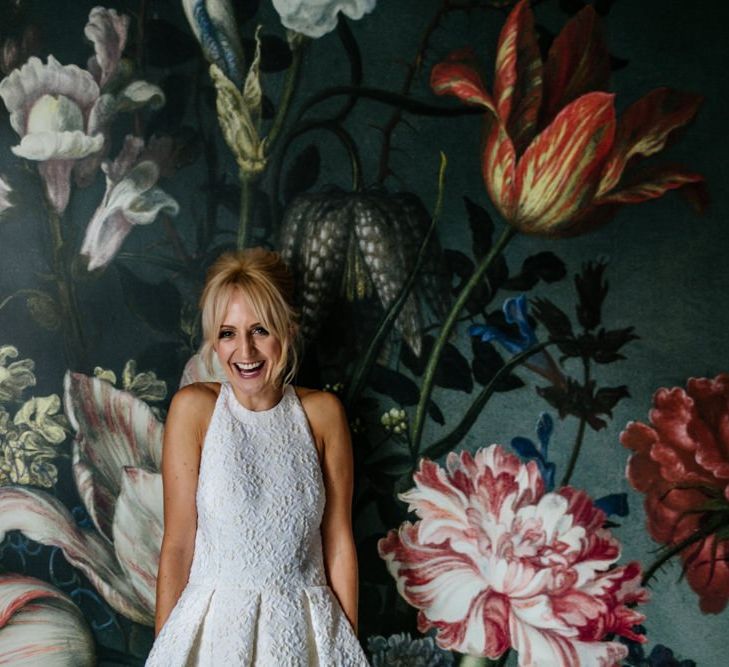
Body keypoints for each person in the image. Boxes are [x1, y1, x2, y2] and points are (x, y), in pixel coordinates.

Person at [146, 248, 370, 665]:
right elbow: (177, 544)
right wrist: (166, 650)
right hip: (214, 633)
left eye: (261, 330)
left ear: (288, 328)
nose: (244, 351)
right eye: (228, 333)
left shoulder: (324, 414)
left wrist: (346, 649)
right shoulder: (193, 408)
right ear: (214, 339)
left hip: (305, 631)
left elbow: (338, 542)